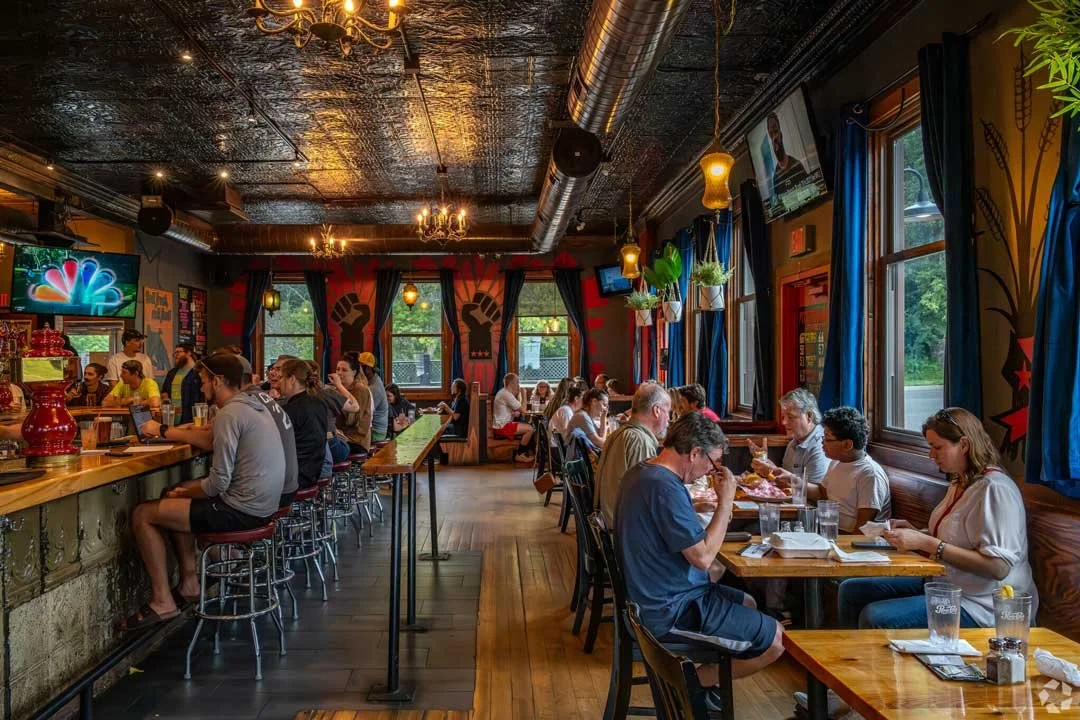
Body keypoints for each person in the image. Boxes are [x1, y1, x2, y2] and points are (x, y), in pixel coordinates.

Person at [616, 412, 785, 709]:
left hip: (658, 594)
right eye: (711, 462)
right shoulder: (664, 486)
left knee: (747, 603)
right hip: (668, 609)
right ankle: (692, 682)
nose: (710, 471)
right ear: (694, 452)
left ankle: (707, 688)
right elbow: (704, 558)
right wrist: (726, 501)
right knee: (776, 641)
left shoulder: (642, 472)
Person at [838, 407, 1038, 630]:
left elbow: (998, 567)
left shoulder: (995, 490)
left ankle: (867, 663)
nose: (931, 455)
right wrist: (916, 532)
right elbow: (959, 538)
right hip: (944, 583)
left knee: (875, 616)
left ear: (963, 444)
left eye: (937, 447)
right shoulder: (960, 482)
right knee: (851, 590)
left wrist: (927, 543)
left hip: (982, 605)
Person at [124, 354, 286, 629]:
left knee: (143, 513)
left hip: (241, 511)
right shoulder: (252, 405)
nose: (201, 388)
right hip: (265, 507)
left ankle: (163, 600)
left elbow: (217, 484)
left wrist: (186, 493)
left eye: (203, 381)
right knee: (177, 494)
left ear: (218, 380)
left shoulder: (230, 413)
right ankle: (189, 582)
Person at [595, 382, 672, 524]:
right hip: (623, 530)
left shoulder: (619, 433)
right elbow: (645, 498)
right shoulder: (639, 440)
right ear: (656, 410)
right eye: (668, 412)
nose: (669, 420)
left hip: (609, 522)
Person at [814, 407, 891, 532]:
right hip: (831, 531)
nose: (822, 443)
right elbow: (822, 493)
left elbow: (863, 529)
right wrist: (792, 480)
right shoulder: (836, 463)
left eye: (827, 439)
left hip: (857, 541)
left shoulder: (869, 474)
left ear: (847, 445)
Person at [750, 388, 829, 486]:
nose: (784, 422)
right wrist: (763, 460)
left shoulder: (821, 447)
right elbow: (785, 481)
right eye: (783, 417)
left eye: (791, 417)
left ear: (809, 416)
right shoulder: (794, 442)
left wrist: (770, 472)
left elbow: (814, 494)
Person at [278, 359, 330, 490]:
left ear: (292, 379)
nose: (279, 383)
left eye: (281, 378)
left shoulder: (290, 410)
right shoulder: (320, 403)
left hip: (295, 477)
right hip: (315, 471)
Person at [492, 373, 534, 463]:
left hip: (501, 424)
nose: (518, 385)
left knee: (529, 426)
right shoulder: (506, 394)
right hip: (502, 427)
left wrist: (512, 414)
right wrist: (524, 394)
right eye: (517, 382)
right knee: (530, 429)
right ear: (512, 383)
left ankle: (527, 452)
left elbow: (514, 411)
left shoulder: (503, 392)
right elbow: (524, 411)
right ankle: (520, 455)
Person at [766, 111, 809, 197]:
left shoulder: (797, 165)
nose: (774, 138)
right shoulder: (776, 178)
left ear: (781, 134)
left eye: (775, 131)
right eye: (771, 134)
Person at [335, 354, 373, 451]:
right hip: (340, 436)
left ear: (354, 372)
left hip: (356, 441)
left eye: (344, 370)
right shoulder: (336, 389)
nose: (339, 373)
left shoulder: (360, 389)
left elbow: (355, 421)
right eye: (337, 369)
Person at [161, 343, 200, 424]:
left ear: (188, 353)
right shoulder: (172, 373)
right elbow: (164, 390)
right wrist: (166, 400)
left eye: (179, 352)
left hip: (190, 417)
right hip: (172, 417)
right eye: (175, 353)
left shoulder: (197, 372)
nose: (176, 355)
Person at [355, 352, 388, 444]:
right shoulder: (372, 381)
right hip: (371, 429)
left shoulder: (374, 389)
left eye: (360, 367)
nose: (357, 370)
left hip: (376, 433)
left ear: (368, 368)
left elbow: (361, 414)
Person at [568, 387, 609, 453]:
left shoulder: (586, 416)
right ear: (594, 401)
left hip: (584, 458)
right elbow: (600, 444)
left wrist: (603, 418)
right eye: (604, 404)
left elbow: (600, 437)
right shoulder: (582, 417)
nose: (605, 409)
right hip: (581, 461)